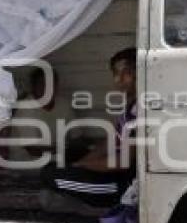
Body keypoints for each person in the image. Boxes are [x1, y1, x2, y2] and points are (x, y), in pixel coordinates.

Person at [41, 47, 138, 212]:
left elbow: (123, 162)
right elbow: (109, 142)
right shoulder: (130, 104)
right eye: (115, 73)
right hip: (113, 171)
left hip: (120, 186)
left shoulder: (140, 110)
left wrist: (84, 165)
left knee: (49, 174)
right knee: (69, 154)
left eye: (126, 73)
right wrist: (83, 161)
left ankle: (95, 202)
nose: (118, 79)